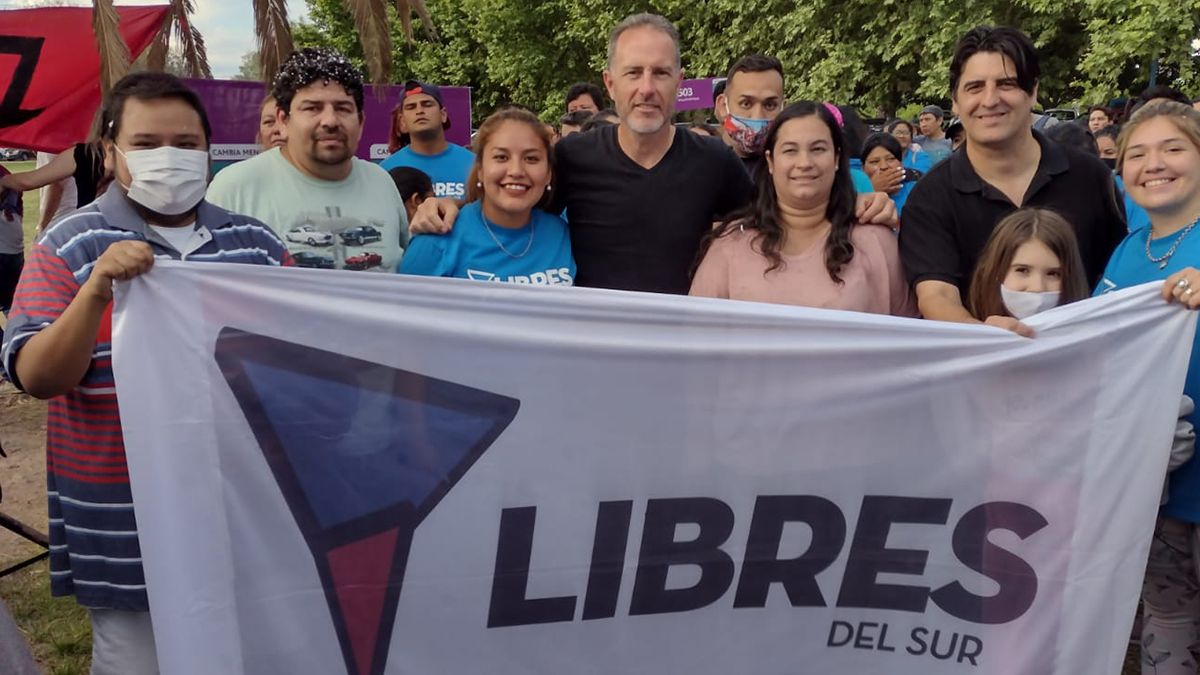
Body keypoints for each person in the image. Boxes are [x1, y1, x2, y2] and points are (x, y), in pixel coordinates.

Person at [0, 71, 290, 675]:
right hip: (121, 516)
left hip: (241, 512)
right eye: (147, 142)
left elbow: (300, 368)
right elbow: (37, 375)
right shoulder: (69, 245)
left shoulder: (257, 247)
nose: (169, 157)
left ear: (209, 150)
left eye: (186, 144)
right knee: (138, 660)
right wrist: (96, 292)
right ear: (110, 151)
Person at [411, 13, 896, 294]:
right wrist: (452, 208)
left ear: (679, 83)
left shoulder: (714, 162)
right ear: (610, 84)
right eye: (634, 73)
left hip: (681, 353)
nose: (646, 88)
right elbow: (517, 212)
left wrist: (853, 206)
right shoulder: (574, 157)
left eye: (660, 73)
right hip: (590, 357)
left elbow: (782, 216)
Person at [899, 25, 1126, 337]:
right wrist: (984, 336)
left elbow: (1121, 278)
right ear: (955, 101)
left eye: (1005, 84)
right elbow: (936, 295)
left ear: (1032, 92)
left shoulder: (1091, 178)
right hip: (980, 373)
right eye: (975, 87)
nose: (990, 100)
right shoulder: (930, 196)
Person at [1093, 100, 1200, 675]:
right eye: (1137, 153)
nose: (1153, 164)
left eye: (1173, 148)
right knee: (1166, 617)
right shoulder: (1128, 249)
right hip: (1147, 486)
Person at [690, 102, 913, 315]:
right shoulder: (730, 246)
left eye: (817, 149)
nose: (804, 162)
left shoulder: (875, 241)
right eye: (790, 150)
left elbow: (909, 335)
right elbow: (697, 334)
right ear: (770, 161)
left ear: (836, 158)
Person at [207, 47, 407, 273]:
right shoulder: (234, 188)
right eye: (313, 108)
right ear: (283, 121)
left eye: (343, 108)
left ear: (360, 122)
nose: (330, 121)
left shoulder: (382, 182)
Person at [401, 108, 574, 285]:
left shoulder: (566, 235)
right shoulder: (435, 239)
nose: (516, 171)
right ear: (481, 170)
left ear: (548, 174)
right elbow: (402, 309)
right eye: (501, 157)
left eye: (531, 159)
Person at [965, 208, 1088, 322]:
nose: (1037, 287)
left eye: (1053, 274)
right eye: (1022, 270)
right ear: (997, 271)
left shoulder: (1091, 341)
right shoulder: (970, 340)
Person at [379, 80, 474, 200]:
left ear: (443, 115)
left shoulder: (474, 164)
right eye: (411, 107)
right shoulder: (385, 172)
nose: (419, 111)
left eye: (427, 104)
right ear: (402, 122)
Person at [0, 141, 107, 235]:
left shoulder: (81, 152)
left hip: (76, 224)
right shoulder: (91, 151)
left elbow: (34, 182)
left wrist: (4, 180)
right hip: (95, 225)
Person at [713, 53, 784, 172]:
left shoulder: (790, 170)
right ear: (723, 106)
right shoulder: (699, 167)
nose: (757, 116)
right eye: (746, 104)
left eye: (769, 105)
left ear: (782, 107)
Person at [861, 132, 921, 216]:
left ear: (901, 162)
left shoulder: (917, 191)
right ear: (863, 168)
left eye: (891, 159)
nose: (884, 166)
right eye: (874, 161)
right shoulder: (853, 193)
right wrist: (871, 190)